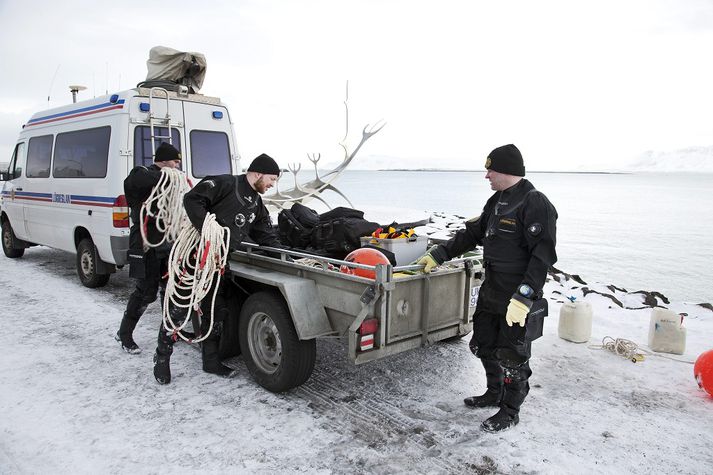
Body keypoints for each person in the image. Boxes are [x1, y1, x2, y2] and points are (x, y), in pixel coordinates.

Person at [416, 144, 557, 432]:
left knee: (513, 355)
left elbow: (542, 256)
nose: (487, 176)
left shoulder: (534, 202)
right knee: (483, 344)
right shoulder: (497, 201)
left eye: (490, 170)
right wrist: (438, 254)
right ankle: (494, 393)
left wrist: (524, 296)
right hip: (492, 289)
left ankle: (509, 411)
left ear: (507, 170)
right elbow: (473, 233)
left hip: (516, 296)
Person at [153, 153, 283, 384]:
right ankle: (161, 358)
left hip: (218, 264)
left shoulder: (256, 203)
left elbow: (265, 234)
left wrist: (284, 256)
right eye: (271, 179)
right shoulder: (224, 183)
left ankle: (210, 361)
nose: (273, 184)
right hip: (195, 257)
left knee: (215, 312)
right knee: (178, 310)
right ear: (257, 173)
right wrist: (208, 229)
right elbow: (192, 199)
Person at [116, 142, 183, 354]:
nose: (177, 167)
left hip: (167, 241)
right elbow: (134, 181)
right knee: (146, 292)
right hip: (146, 242)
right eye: (174, 162)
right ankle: (124, 334)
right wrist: (168, 175)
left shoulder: (169, 178)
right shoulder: (141, 174)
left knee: (170, 289)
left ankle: (170, 331)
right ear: (162, 160)